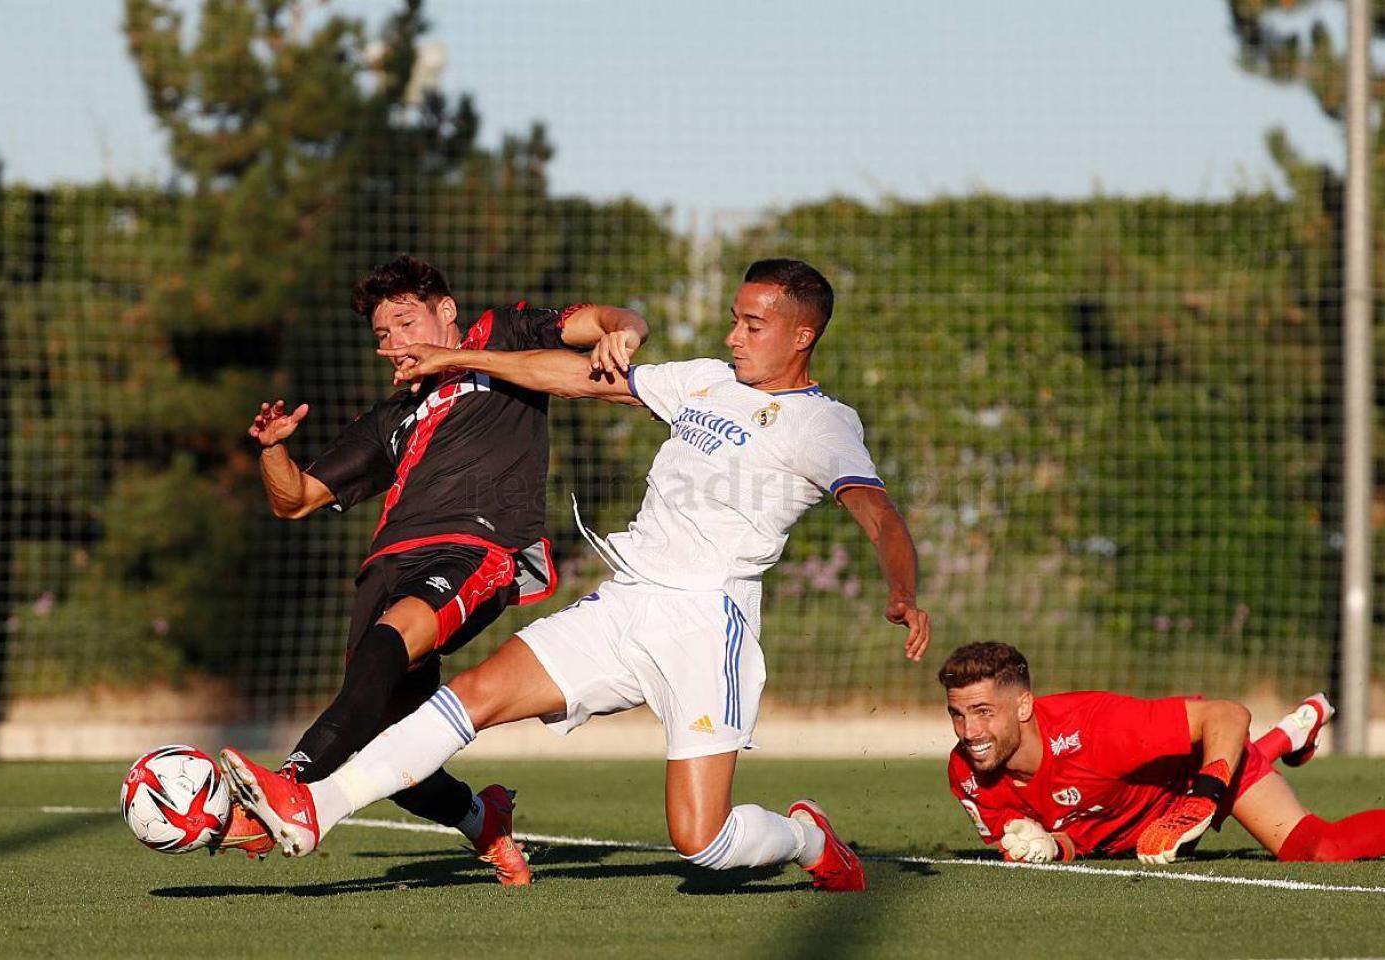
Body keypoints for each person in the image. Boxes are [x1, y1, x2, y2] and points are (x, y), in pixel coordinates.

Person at [220, 258, 931, 892]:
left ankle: (807, 837)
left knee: (702, 841)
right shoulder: (704, 382)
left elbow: (879, 515)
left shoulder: (822, 423)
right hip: (624, 603)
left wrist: (903, 590)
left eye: (751, 325)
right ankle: (313, 809)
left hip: (705, 625)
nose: (733, 337)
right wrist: (470, 359)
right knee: (471, 696)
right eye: (734, 321)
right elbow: (569, 376)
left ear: (801, 336)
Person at [218, 254, 649, 884]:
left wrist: (626, 333)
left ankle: (291, 786)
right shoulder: (395, 414)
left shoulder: (505, 333)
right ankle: (483, 819)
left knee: (385, 652)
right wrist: (273, 449)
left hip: (476, 546)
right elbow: (296, 499)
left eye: (405, 320)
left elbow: (611, 325)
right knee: (381, 739)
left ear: (446, 311)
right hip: (387, 565)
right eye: (383, 334)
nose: (394, 341)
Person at [939, 641, 1385, 864]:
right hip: (1143, 822)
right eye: (959, 714)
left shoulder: (1096, 726)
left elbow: (1227, 715)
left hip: (1201, 776)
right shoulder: (966, 775)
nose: (970, 731)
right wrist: (1052, 847)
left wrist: (1206, 800)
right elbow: (1061, 834)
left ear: (1024, 707)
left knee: (1318, 848)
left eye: (983, 711)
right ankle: (1299, 728)